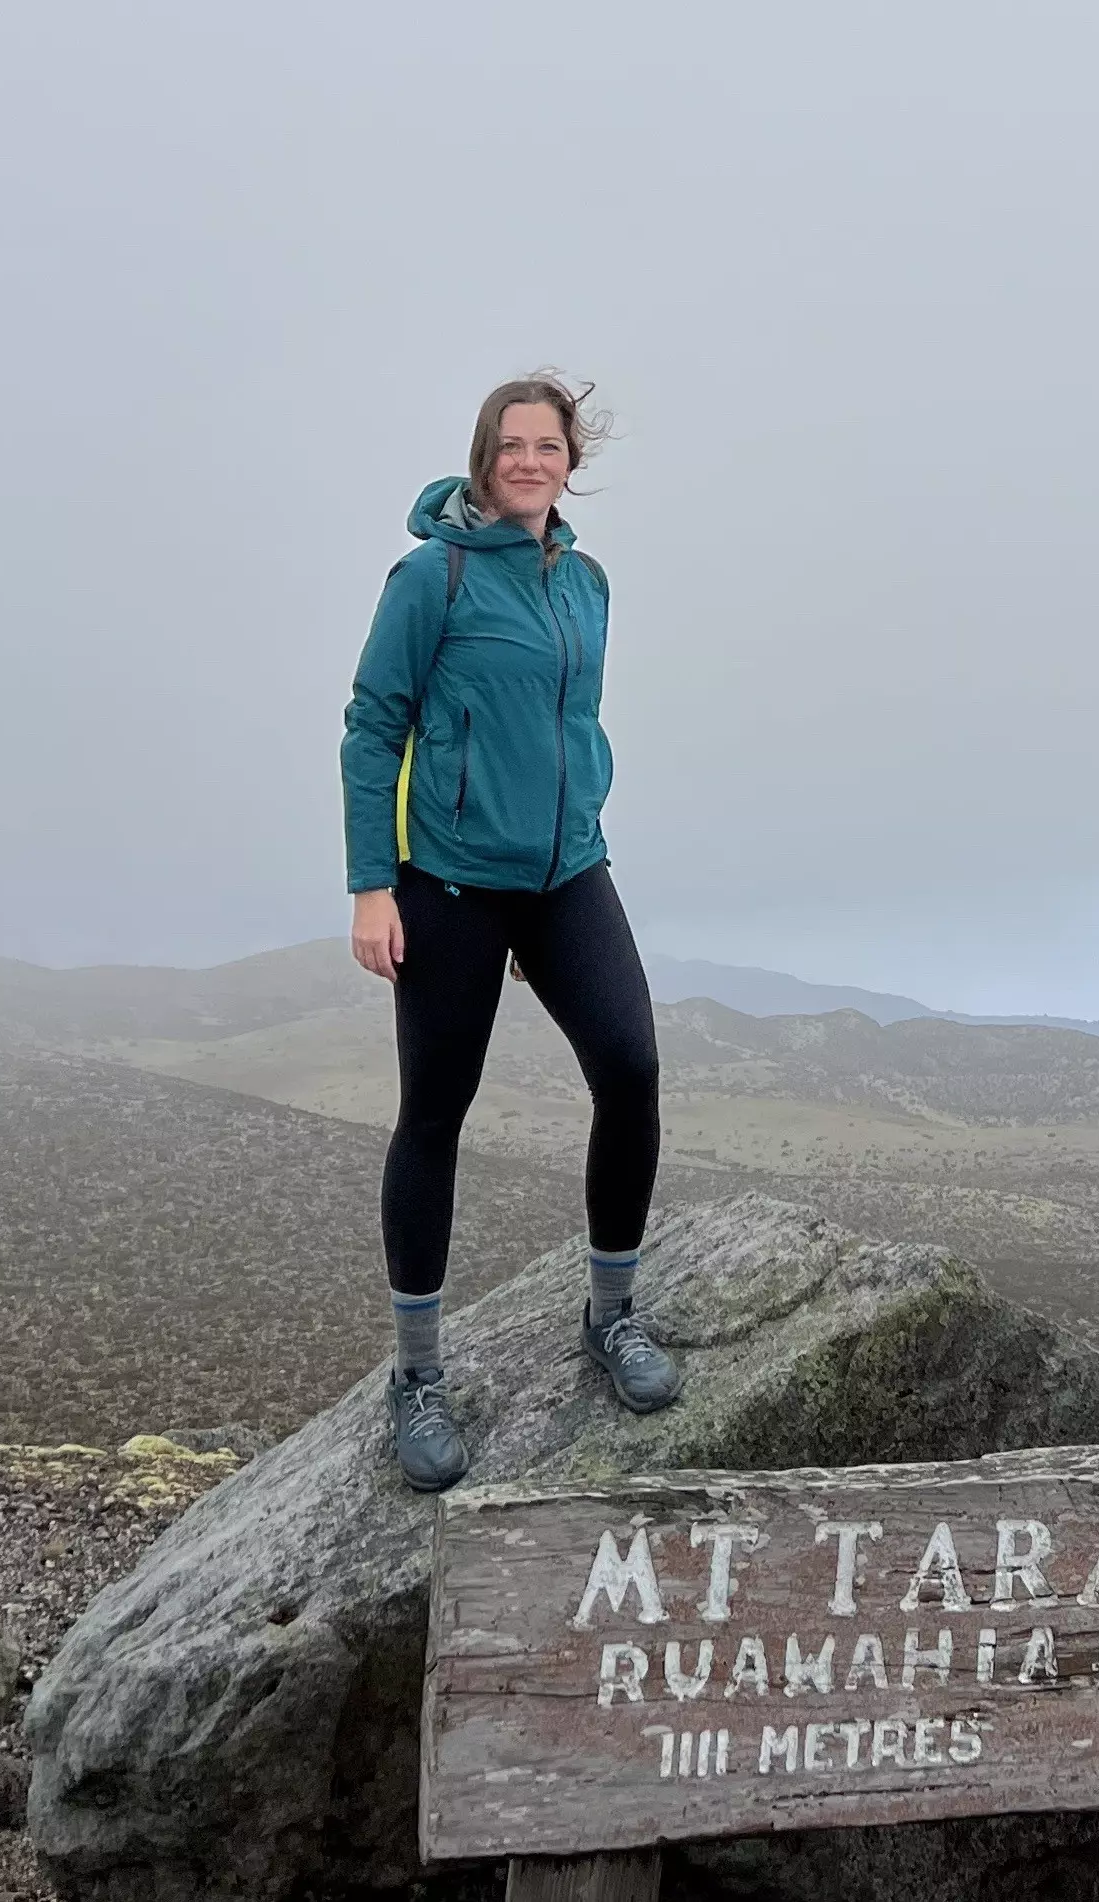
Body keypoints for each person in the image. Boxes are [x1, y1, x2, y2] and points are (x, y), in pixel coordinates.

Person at [340, 373, 680, 1493]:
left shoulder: (586, 583)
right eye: (512, 444)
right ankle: (419, 1376)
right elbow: (373, 727)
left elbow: (571, 720)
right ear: (484, 455)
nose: (530, 461)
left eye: (549, 444)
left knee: (630, 1067)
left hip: (567, 870)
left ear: (570, 460)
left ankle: (613, 1316)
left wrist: (581, 810)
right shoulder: (428, 577)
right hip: (447, 884)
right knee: (435, 1112)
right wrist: (370, 886)